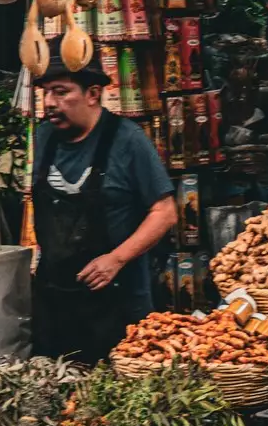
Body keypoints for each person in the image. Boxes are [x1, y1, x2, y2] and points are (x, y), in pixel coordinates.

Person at [29, 63, 176, 363]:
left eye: (61, 92)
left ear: (93, 94)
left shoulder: (128, 139)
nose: (49, 103)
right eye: (45, 93)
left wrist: (116, 259)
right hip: (56, 301)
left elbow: (165, 212)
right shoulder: (44, 137)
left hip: (117, 303)